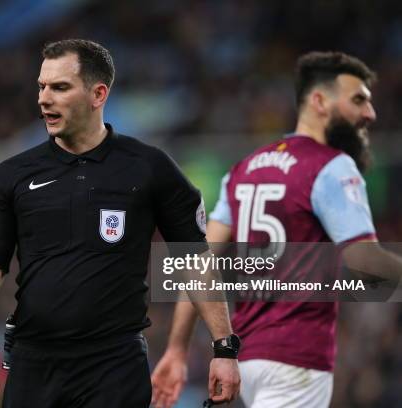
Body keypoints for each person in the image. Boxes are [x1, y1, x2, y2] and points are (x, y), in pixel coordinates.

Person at [0, 39, 240, 407]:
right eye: (42, 87)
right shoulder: (11, 174)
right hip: (34, 365)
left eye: (60, 87)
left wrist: (224, 348)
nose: (44, 99)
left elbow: (194, 261)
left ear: (98, 94)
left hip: (115, 366)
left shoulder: (149, 168)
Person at [151, 51, 402, 408]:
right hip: (296, 360)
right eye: (358, 100)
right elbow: (364, 259)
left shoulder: (244, 169)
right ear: (319, 102)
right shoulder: (331, 166)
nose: (369, 113)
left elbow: (197, 261)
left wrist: (176, 349)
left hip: (251, 360)